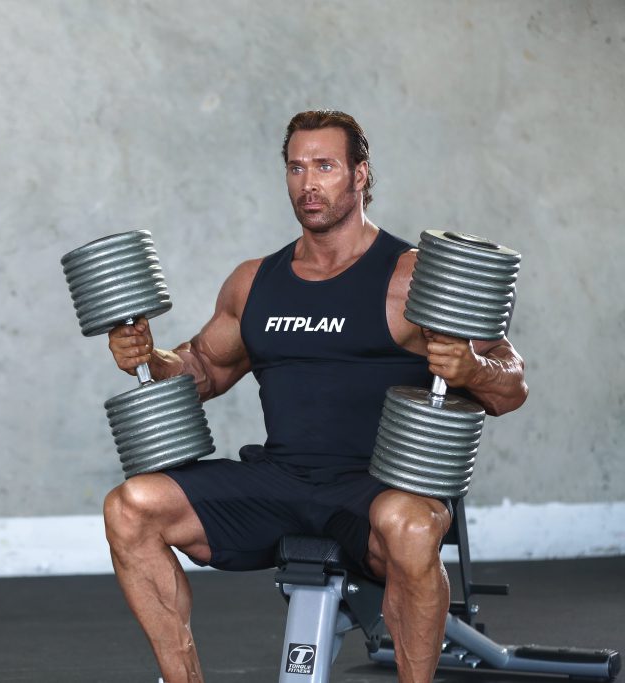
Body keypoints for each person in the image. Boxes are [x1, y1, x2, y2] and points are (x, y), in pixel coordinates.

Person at [103, 110, 528, 683]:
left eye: (325, 165)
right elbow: (204, 367)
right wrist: (151, 358)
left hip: (374, 489)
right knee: (130, 507)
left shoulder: (413, 276)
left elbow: (511, 384)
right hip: (278, 482)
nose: (309, 183)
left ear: (359, 175)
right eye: (296, 167)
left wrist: (472, 367)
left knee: (412, 522)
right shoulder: (255, 281)